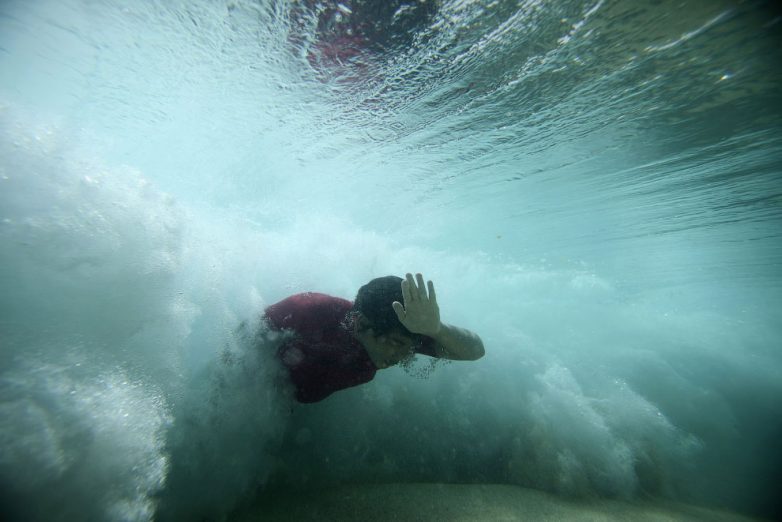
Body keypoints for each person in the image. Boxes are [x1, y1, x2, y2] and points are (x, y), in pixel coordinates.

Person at [263, 273, 484, 403]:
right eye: (397, 344)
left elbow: (475, 350)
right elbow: (249, 335)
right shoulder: (311, 310)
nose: (403, 355)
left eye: (410, 346)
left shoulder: (407, 331)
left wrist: (437, 330)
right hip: (267, 391)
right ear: (360, 325)